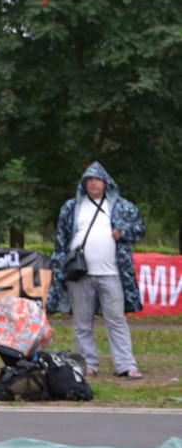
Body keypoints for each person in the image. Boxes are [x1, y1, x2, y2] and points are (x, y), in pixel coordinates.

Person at [46, 162, 144, 378]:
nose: (93, 183)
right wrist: (60, 269)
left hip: (113, 273)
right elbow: (61, 241)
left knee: (117, 320)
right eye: (89, 180)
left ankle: (126, 365)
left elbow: (140, 229)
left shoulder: (122, 207)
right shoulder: (71, 207)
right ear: (84, 184)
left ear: (106, 183)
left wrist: (123, 233)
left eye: (97, 179)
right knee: (82, 323)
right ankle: (87, 364)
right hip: (79, 274)